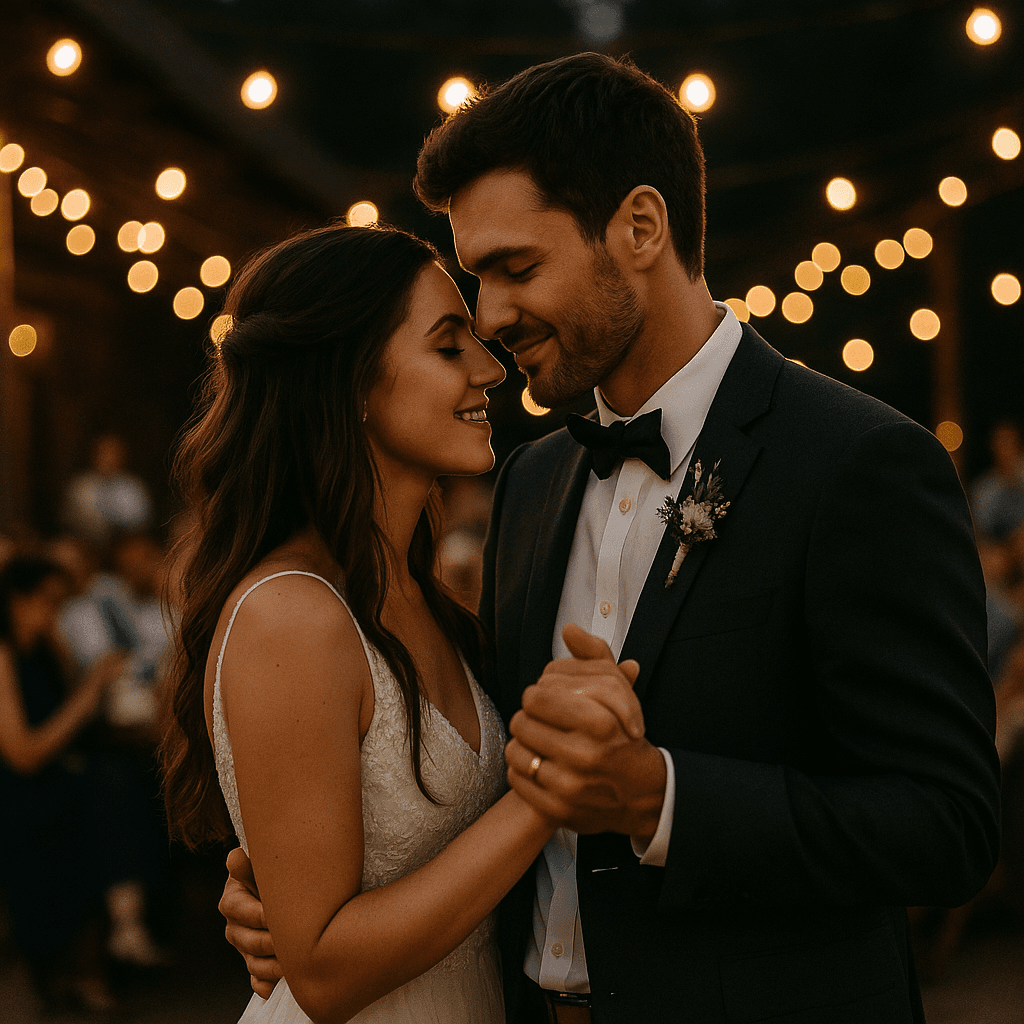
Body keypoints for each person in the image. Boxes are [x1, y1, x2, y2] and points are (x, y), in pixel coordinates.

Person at [222, 53, 1000, 1023]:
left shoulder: (857, 462)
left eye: (516, 268)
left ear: (639, 226)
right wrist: (301, 905)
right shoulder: (531, 480)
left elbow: (950, 826)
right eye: (476, 280)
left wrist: (659, 797)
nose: (493, 317)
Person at [160, 223, 640, 1024]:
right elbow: (325, 972)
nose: (491, 369)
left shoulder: (431, 602)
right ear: (348, 380)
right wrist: (548, 791)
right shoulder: (292, 616)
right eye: (448, 348)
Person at [0, 554, 125, 1013]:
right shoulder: (3, 657)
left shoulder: (46, 648)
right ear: (17, 598)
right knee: (49, 895)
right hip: (24, 800)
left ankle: (89, 977)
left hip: (66, 791)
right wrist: (90, 691)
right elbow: (24, 753)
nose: (56, 611)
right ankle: (63, 980)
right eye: (48, 601)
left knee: (92, 879)